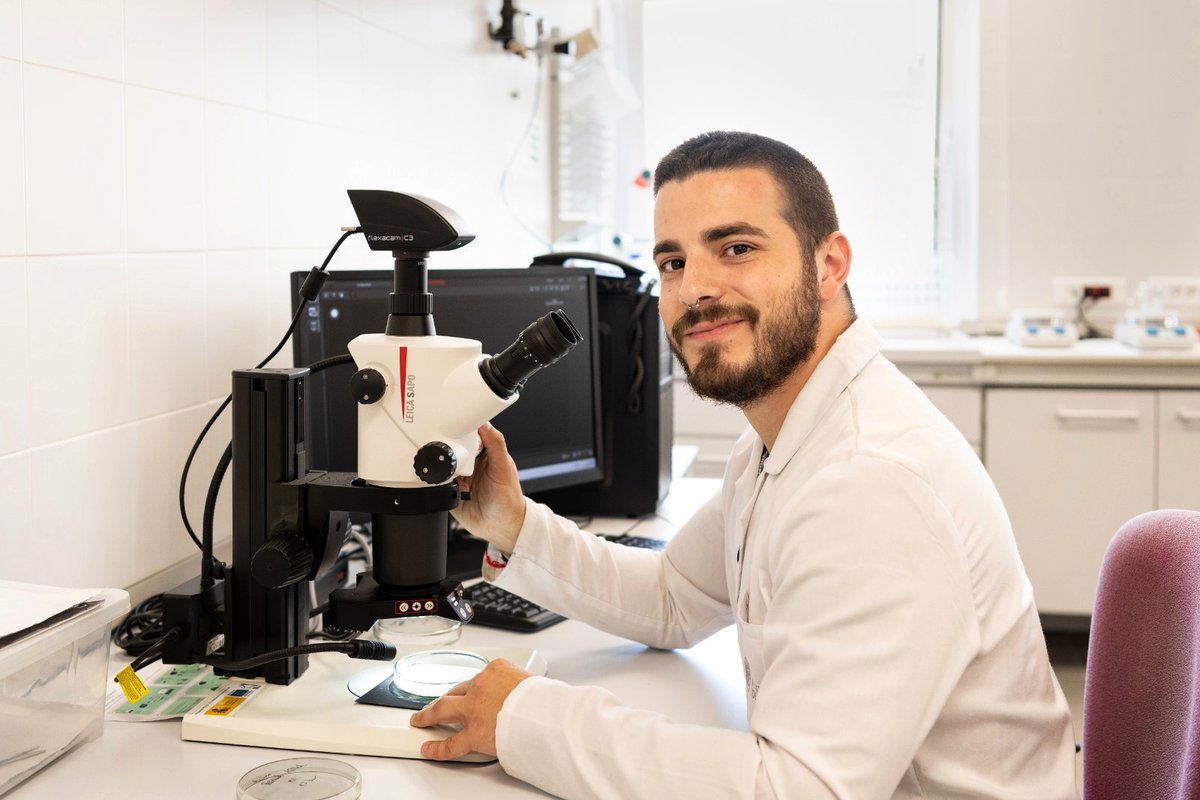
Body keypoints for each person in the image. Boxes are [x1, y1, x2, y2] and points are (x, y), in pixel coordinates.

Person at [410, 131, 1078, 798]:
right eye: (672, 263)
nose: (695, 288)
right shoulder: (784, 433)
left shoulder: (869, 478)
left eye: (736, 248)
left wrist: (525, 716)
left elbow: (798, 790)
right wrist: (514, 524)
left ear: (830, 264)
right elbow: (673, 599)